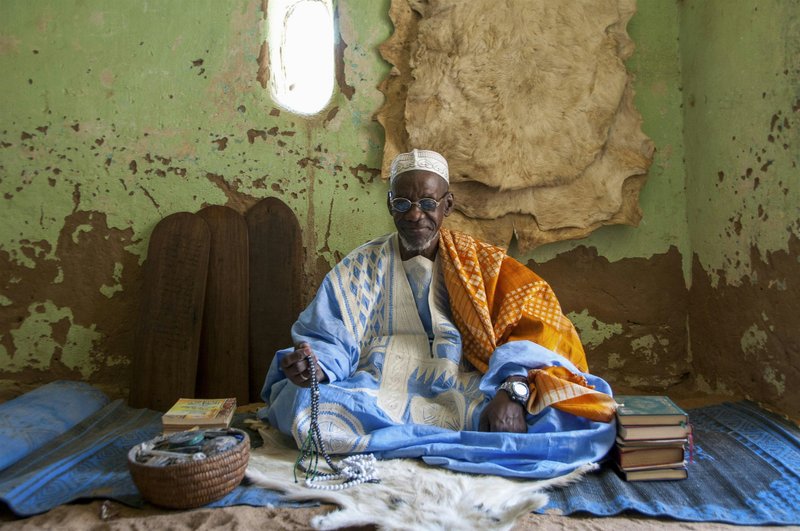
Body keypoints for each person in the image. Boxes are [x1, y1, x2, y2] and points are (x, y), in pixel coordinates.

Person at [259, 149, 617, 478]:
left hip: (467, 382)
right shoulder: (360, 266)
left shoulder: (482, 265)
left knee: (560, 412)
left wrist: (513, 390)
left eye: (428, 202)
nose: (415, 215)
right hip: (376, 385)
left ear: (448, 205)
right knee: (300, 399)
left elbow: (538, 326)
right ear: (389, 205)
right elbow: (328, 337)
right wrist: (315, 366)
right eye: (403, 202)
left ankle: (389, 442)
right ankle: (458, 443)